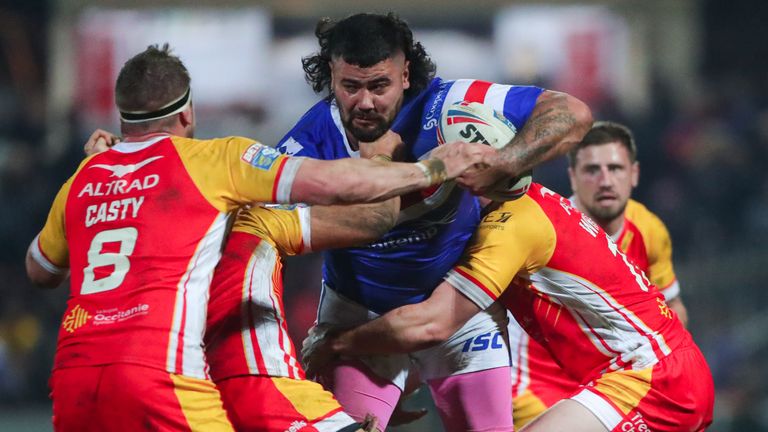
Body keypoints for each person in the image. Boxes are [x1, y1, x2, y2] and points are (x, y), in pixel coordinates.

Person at [24, 44, 493, 431]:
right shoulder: (218, 166)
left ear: (123, 120)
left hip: (72, 386)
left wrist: (100, 169)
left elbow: (40, 269)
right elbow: (346, 193)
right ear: (188, 114)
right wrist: (430, 168)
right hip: (168, 381)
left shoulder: (87, 176)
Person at [278, 12, 592, 430]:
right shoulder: (306, 144)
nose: (365, 102)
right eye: (350, 87)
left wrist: (504, 162)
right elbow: (261, 237)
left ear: (406, 74)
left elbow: (572, 111)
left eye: (379, 85)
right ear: (331, 78)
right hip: (358, 319)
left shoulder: (452, 105)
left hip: (456, 310)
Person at [303, 182, 715, 432]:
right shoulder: (530, 206)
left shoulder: (509, 227)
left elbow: (434, 323)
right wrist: (401, 382)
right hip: (666, 369)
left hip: (650, 378)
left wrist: (337, 342)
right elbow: (468, 327)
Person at [509, 121, 691, 428]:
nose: (605, 181)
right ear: (573, 178)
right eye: (592, 170)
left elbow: (673, 309)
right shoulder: (541, 230)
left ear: (634, 174)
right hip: (538, 388)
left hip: (617, 387)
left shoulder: (649, 229)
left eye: (616, 168)